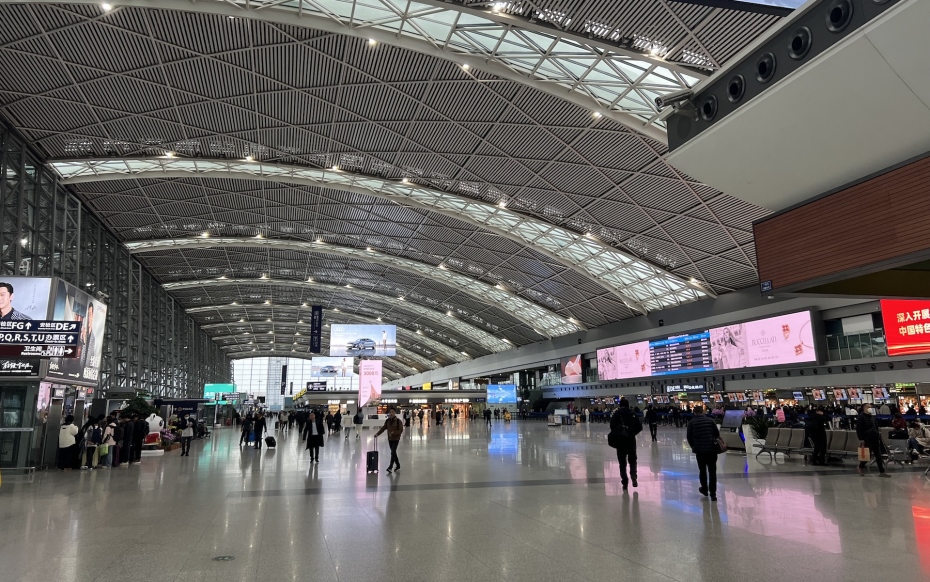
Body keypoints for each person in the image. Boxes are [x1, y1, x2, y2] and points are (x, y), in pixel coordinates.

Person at [686, 405, 720, 500]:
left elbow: (689, 437)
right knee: (712, 472)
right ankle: (713, 494)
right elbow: (717, 434)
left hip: (700, 451)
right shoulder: (710, 420)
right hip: (711, 450)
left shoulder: (691, 423)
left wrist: (694, 446)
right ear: (703, 412)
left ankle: (704, 489)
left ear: (694, 413)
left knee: (702, 471)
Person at [609, 398, 642, 490]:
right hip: (631, 441)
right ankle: (633, 476)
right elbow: (639, 426)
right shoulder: (632, 413)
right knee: (632, 460)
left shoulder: (617, 413)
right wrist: (631, 433)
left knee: (622, 462)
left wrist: (619, 432)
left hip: (620, 441)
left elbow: (612, 426)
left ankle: (624, 481)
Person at [856, 403, 888, 477]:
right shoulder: (861, 417)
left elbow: (876, 426)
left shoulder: (872, 417)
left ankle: (882, 472)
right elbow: (859, 429)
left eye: (870, 407)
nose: (870, 408)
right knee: (868, 455)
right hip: (867, 438)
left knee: (878, 455)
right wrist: (861, 439)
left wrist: (878, 433)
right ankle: (860, 466)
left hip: (875, 437)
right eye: (868, 407)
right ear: (864, 408)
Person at [374, 407, 404, 473]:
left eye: (392, 412)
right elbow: (383, 428)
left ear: (395, 413)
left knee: (392, 452)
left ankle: (390, 467)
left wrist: (394, 433)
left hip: (396, 439)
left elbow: (400, 430)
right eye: (390, 412)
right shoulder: (387, 421)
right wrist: (377, 434)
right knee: (393, 452)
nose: (391, 413)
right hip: (390, 439)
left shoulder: (398, 421)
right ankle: (398, 465)